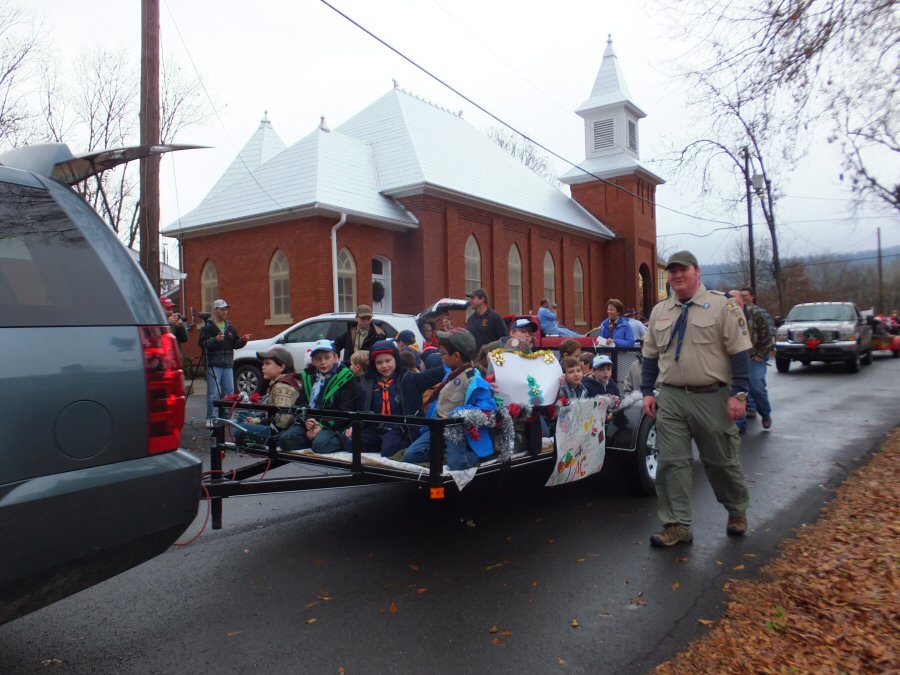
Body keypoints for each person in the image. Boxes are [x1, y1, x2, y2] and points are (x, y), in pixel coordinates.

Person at [640, 250, 752, 548]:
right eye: (673, 271)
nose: (677, 276)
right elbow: (650, 355)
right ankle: (677, 525)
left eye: (683, 270)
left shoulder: (723, 307)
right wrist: (648, 391)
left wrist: (739, 394)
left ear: (697, 271)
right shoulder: (660, 311)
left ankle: (736, 509)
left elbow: (740, 352)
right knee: (672, 462)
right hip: (672, 396)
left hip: (712, 395)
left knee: (720, 461)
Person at [401, 330, 496, 470]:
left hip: (457, 430)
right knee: (410, 456)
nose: (441, 358)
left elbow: (486, 408)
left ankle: (477, 455)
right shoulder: (450, 373)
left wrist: (457, 414)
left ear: (456, 356)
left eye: (444, 354)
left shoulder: (475, 381)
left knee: (457, 464)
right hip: (438, 427)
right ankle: (445, 452)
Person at [279, 339, 360, 454]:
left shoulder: (347, 378)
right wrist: (307, 421)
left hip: (333, 424)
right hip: (311, 421)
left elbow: (346, 410)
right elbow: (301, 403)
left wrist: (321, 425)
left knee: (320, 446)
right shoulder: (308, 377)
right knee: (284, 440)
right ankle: (311, 437)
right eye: (318, 359)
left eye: (327, 357)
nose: (322, 362)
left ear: (336, 358)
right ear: (312, 361)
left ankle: (334, 439)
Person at [353, 340, 413, 457]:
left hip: (395, 427)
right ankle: (381, 443)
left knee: (389, 450)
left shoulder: (404, 379)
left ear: (396, 359)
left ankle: (403, 443)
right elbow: (360, 406)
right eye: (379, 363)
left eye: (388, 361)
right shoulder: (368, 382)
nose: (384, 366)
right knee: (352, 444)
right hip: (375, 427)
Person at [235, 346, 302, 446]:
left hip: (278, 433)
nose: (263, 367)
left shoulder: (283, 386)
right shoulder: (281, 381)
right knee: (243, 418)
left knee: (240, 429)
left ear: (282, 367)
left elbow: (281, 423)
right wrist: (258, 420)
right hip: (277, 427)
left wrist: (259, 421)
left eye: (268, 363)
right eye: (263, 363)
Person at [201, 299, 251, 426]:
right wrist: (215, 340)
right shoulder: (208, 326)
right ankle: (211, 417)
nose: (225, 312)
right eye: (222, 309)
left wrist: (243, 340)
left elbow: (235, 344)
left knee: (229, 392)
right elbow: (203, 344)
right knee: (213, 393)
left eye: (226, 309)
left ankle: (226, 417)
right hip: (214, 364)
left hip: (228, 363)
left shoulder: (230, 327)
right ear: (216, 310)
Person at [740, 287, 774, 430]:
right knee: (738, 388)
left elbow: (767, 335)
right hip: (739, 356)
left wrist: (760, 355)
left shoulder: (758, 314)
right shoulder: (732, 313)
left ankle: (765, 413)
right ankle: (740, 421)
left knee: (756, 385)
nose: (743, 298)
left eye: (745, 296)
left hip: (756, 356)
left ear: (752, 296)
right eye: (740, 296)